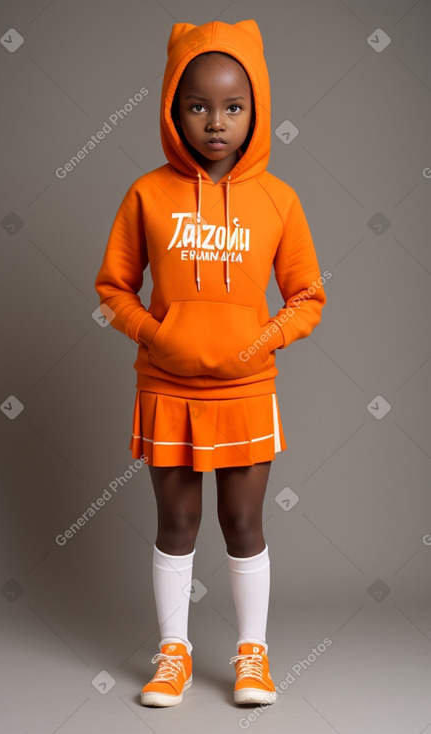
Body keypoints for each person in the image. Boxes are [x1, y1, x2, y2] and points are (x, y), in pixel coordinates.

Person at [94, 19, 327, 708]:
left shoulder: (278, 200)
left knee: (244, 525)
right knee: (174, 527)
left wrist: (259, 342)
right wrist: (155, 335)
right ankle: (173, 656)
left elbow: (308, 297)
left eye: (233, 106)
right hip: (165, 386)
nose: (215, 122)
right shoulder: (146, 194)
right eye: (197, 105)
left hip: (247, 390)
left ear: (256, 111)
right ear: (172, 107)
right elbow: (112, 289)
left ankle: (251, 656)